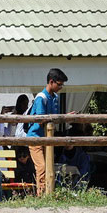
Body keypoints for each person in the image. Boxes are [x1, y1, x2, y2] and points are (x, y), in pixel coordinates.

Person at [26, 68, 68, 196]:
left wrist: (64, 116)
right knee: (42, 167)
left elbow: (52, 119)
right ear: (51, 82)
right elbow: (40, 120)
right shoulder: (41, 97)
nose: (61, 87)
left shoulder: (54, 97)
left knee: (49, 166)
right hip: (35, 138)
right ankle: (41, 194)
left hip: (46, 138)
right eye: (59, 84)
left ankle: (48, 193)